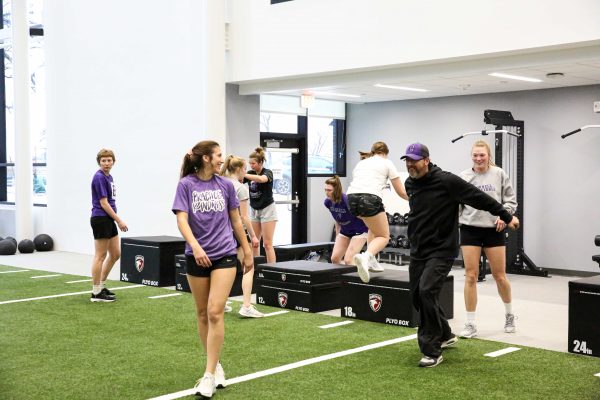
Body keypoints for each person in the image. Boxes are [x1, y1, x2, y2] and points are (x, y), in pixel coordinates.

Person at [401, 142, 520, 368]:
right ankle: (445, 333)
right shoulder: (410, 183)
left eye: (413, 160)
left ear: (426, 160)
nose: (409, 164)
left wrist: (505, 215)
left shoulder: (447, 181)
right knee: (418, 296)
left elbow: (480, 198)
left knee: (427, 291)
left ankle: (431, 350)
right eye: (407, 160)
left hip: (441, 249)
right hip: (418, 250)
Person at [172, 140, 253, 398]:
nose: (222, 159)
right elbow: (181, 219)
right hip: (197, 255)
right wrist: (195, 247)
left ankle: (208, 376)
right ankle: (215, 364)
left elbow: (236, 221)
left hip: (224, 254)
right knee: (202, 314)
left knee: (215, 311)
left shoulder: (226, 185)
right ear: (206, 158)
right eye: (218, 155)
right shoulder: (186, 185)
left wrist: (247, 250)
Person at [458, 140, 518, 338]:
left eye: (482, 155)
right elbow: (457, 204)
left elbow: (510, 201)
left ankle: (509, 315)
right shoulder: (464, 177)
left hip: (494, 230)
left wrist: (504, 215)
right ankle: (471, 323)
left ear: (488, 155)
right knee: (471, 276)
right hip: (470, 229)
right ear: (471, 156)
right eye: (475, 155)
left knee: (500, 276)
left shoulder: (499, 174)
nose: (478, 158)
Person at [346, 141, 408, 282]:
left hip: (351, 200)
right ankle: (365, 257)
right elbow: (401, 192)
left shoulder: (361, 163)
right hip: (370, 199)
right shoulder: (387, 163)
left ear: (373, 152)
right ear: (385, 153)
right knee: (384, 236)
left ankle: (372, 258)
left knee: (372, 226)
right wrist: (414, 199)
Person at [221, 155, 264, 318]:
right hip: (235, 232)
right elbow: (244, 217)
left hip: (221, 233)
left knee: (225, 267)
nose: (246, 172)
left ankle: (223, 301)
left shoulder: (219, 183)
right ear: (238, 169)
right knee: (248, 266)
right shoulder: (240, 187)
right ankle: (246, 305)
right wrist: (253, 236)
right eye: (245, 169)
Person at [89, 149, 128, 302]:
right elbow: (103, 203)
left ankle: (102, 285)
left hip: (108, 219)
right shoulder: (99, 177)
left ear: (113, 161)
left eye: (109, 160)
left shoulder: (109, 176)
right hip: (101, 218)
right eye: (103, 160)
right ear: (99, 162)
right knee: (100, 256)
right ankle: (96, 292)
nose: (106, 163)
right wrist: (119, 220)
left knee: (115, 254)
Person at [324, 175, 368, 265]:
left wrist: (375, 229)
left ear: (336, 190)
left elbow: (364, 216)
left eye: (329, 190)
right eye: (325, 190)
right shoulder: (328, 202)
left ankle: (357, 278)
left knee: (348, 260)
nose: (326, 192)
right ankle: (342, 280)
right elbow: (337, 220)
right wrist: (337, 236)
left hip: (360, 231)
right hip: (345, 231)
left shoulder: (347, 200)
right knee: (335, 259)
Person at [244, 147, 277, 263]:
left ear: (260, 162)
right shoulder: (249, 173)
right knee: (254, 242)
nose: (251, 166)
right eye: (250, 163)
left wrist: (245, 175)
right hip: (254, 209)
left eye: (253, 163)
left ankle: (272, 271)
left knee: (267, 244)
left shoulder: (268, 172)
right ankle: (255, 270)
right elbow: (236, 179)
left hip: (267, 209)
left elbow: (261, 179)